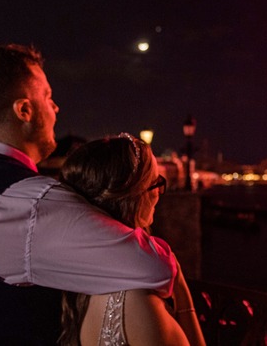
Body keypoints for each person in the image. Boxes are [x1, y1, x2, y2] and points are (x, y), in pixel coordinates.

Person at [0, 44, 177, 345]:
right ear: (24, 110)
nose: (56, 107)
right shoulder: (28, 203)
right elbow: (153, 267)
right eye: (48, 97)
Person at [58, 135, 205, 346]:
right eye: (157, 183)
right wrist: (183, 296)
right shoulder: (140, 305)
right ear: (134, 196)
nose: (160, 193)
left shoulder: (84, 279)